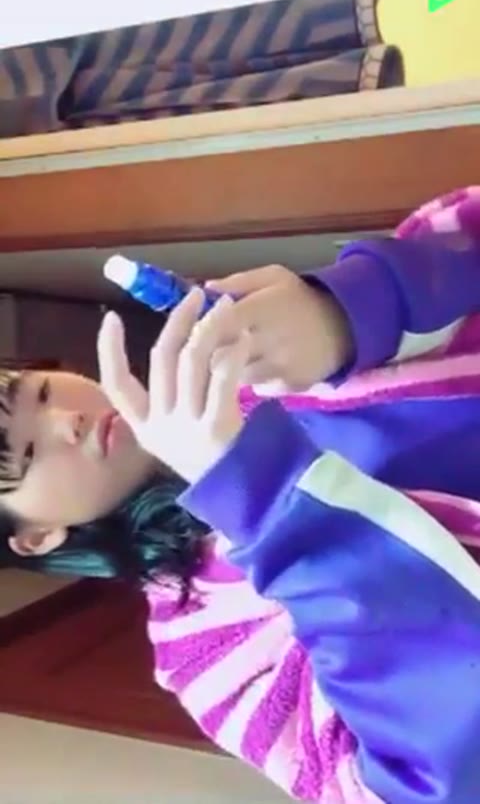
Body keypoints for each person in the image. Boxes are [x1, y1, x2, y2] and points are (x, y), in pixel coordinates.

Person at [2, 186, 480, 803]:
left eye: (41, 393)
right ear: (37, 536)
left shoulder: (259, 371)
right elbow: (421, 783)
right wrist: (263, 502)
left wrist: (351, 307)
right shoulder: (202, 648)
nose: (66, 421)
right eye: (29, 454)